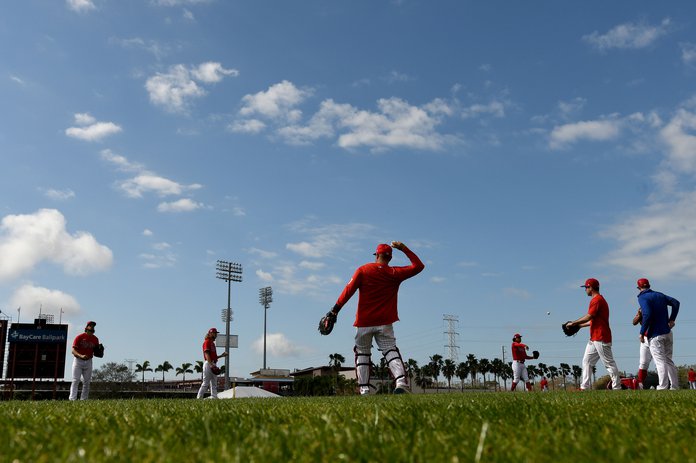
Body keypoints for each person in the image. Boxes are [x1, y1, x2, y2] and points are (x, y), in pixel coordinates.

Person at [328, 241, 424, 395]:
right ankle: (400, 382)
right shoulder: (395, 273)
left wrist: (334, 311)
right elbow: (419, 266)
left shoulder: (363, 270)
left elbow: (348, 291)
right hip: (385, 322)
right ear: (390, 258)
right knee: (390, 351)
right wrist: (404, 249)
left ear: (377, 255)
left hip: (364, 322)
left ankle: (364, 389)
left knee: (363, 354)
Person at [564, 278, 621, 390]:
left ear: (591, 287)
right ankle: (584, 387)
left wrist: (574, 323)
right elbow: (593, 320)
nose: (585, 290)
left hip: (601, 336)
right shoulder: (598, 300)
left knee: (609, 363)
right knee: (587, 361)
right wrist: (580, 326)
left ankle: (617, 387)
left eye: (586, 287)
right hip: (595, 337)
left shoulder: (597, 300)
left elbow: (589, 316)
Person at [636, 278, 680, 390]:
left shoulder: (642, 297)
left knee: (660, 362)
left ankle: (663, 386)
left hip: (655, 334)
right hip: (667, 332)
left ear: (639, 288)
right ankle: (674, 386)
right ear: (649, 285)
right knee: (668, 360)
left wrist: (642, 332)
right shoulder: (659, 294)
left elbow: (647, 314)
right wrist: (672, 319)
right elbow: (676, 303)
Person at [69, 321, 100, 401]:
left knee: (87, 382)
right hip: (78, 361)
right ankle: (72, 399)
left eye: (93, 326)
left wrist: (100, 351)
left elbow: (96, 352)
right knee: (75, 380)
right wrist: (80, 355)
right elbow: (73, 351)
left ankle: (84, 399)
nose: (92, 327)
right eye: (90, 325)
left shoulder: (95, 339)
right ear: (86, 327)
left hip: (89, 361)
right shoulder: (79, 337)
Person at [197, 328, 227, 399]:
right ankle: (199, 398)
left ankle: (214, 397)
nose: (216, 334)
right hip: (208, 363)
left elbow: (213, 357)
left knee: (214, 383)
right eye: (214, 333)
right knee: (205, 383)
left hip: (212, 363)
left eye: (216, 333)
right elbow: (207, 354)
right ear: (210, 334)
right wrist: (211, 365)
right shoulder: (206, 342)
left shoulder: (212, 343)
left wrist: (222, 355)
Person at [631, 307, 652, 389]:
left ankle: (667, 384)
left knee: (660, 362)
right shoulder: (642, 308)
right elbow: (634, 322)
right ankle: (640, 384)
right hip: (645, 338)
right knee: (643, 363)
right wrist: (639, 315)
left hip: (655, 337)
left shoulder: (655, 307)